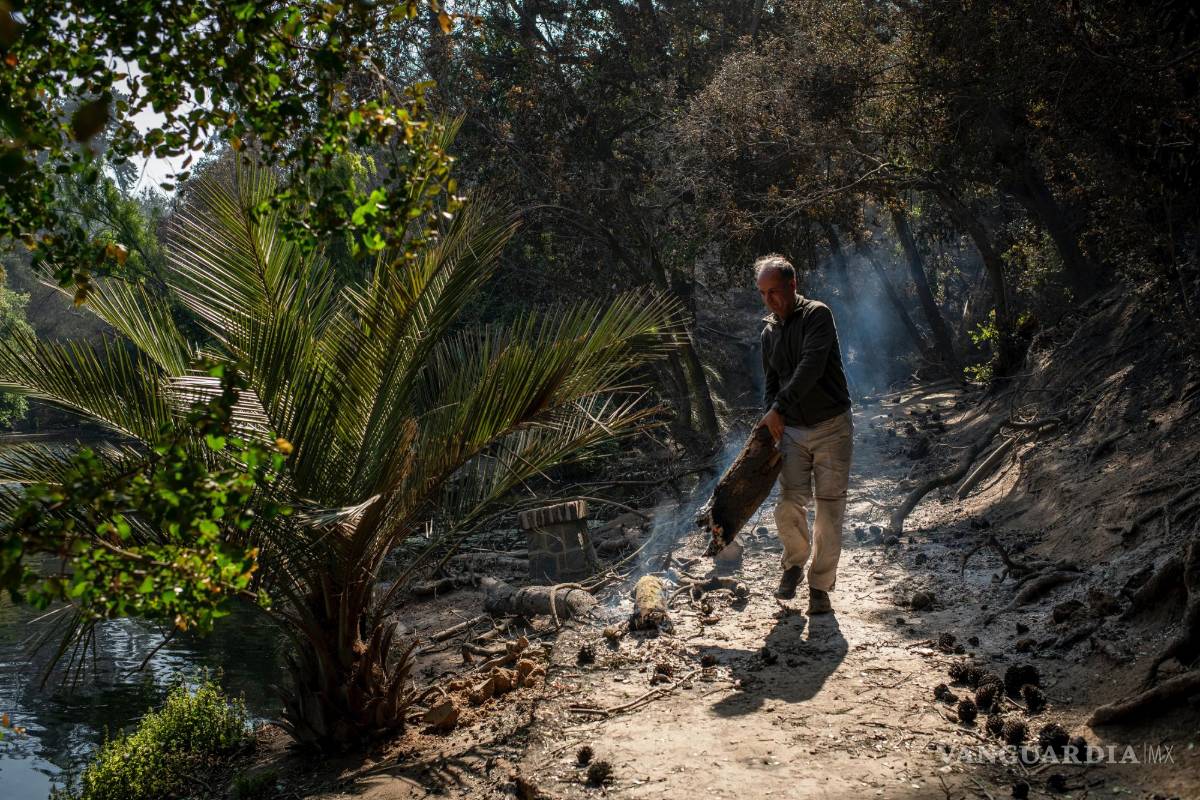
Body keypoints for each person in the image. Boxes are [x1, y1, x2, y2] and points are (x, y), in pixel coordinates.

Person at [755, 254, 853, 615]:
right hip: (793, 432)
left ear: (793, 285)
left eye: (775, 291)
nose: (770, 300)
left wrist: (778, 407)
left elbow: (811, 367)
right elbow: (771, 382)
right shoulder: (769, 332)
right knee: (787, 504)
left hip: (832, 427)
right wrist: (772, 419)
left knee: (829, 512)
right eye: (763, 293)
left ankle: (820, 588)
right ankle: (794, 564)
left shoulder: (817, 315)